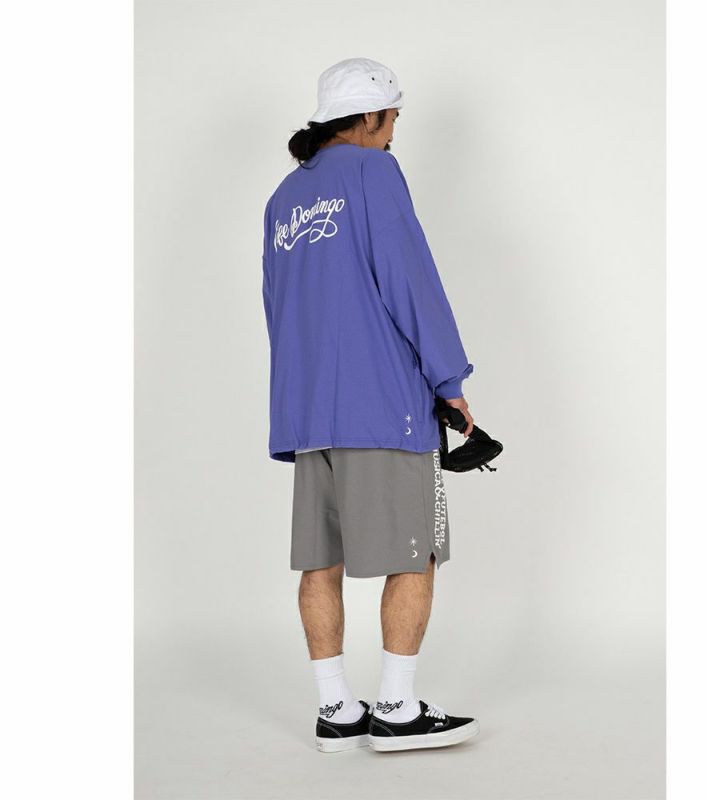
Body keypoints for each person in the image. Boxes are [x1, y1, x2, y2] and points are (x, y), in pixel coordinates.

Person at [261, 57, 480, 753]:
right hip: (383, 405)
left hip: (308, 412)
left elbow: (277, 306)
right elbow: (411, 280)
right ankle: (396, 708)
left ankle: (336, 711)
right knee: (415, 556)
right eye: (391, 120)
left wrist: (293, 402)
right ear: (367, 118)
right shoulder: (374, 173)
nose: (393, 133)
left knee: (319, 562)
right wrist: (448, 378)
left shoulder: (283, 198)